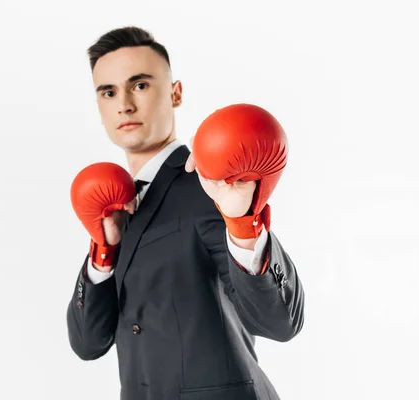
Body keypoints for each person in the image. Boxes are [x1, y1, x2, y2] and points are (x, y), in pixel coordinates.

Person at [66, 26, 305, 400]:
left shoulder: (211, 185)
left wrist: (242, 221)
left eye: (140, 85)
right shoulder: (115, 207)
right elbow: (87, 343)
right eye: (108, 92)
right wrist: (102, 251)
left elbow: (280, 322)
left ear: (175, 93)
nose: (124, 104)